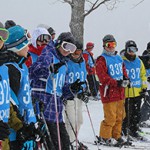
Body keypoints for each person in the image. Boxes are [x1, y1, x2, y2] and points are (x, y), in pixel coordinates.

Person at [29, 32, 77, 150]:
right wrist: (48, 69)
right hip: (45, 107)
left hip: (57, 111)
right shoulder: (49, 54)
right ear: (59, 44)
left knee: (65, 144)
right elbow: (33, 72)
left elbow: (63, 89)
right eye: (66, 46)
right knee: (53, 145)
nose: (68, 51)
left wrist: (73, 89)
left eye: (71, 48)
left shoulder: (65, 63)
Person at [5, 25, 38, 149]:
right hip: (15, 132)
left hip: (26, 126)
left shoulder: (22, 66)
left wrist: (32, 122)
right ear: (17, 46)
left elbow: (25, 98)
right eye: (26, 44)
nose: (28, 48)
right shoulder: (11, 69)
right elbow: (10, 105)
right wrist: (22, 129)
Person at [96, 34, 128, 146]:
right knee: (110, 117)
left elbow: (123, 71)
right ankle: (105, 137)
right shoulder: (102, 59)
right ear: (104, 46)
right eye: (108, 45)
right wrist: (116, 82)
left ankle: (116, 136)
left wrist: (125, 79)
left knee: (120, 116)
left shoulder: (118, 58)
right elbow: (102, 76)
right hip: (109, 93)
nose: (111, 47)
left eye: (113, 44)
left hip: (120, 93)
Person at [62, 41, 88, 149]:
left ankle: (73, 140)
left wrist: (85, 91)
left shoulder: (82, 62)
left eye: (79, 51)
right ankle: (70, 142)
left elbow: (84, 78)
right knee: (71, 121)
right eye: (74, 51)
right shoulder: (66, 62)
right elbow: (62, 79)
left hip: (79, 96)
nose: (76, 54)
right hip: (69, 96)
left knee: (79, 121)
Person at [121, 40, 147, 139]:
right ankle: (124, 130)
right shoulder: (122, 61)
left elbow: (143, 75)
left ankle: (134, 130)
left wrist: (144, 88)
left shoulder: (139, 61)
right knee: (126, 114)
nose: (132, 52)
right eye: (130, 49)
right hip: (126, 92)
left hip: (137, 92)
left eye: (134, 50)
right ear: (126, 50)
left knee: (136, 114)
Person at [138, 42, 150, 127]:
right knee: (147, 102)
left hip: (147, 83)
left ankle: (144, 118)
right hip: (146, 84)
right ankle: (142, 119)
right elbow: (143, 71)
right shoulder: (145, 57)